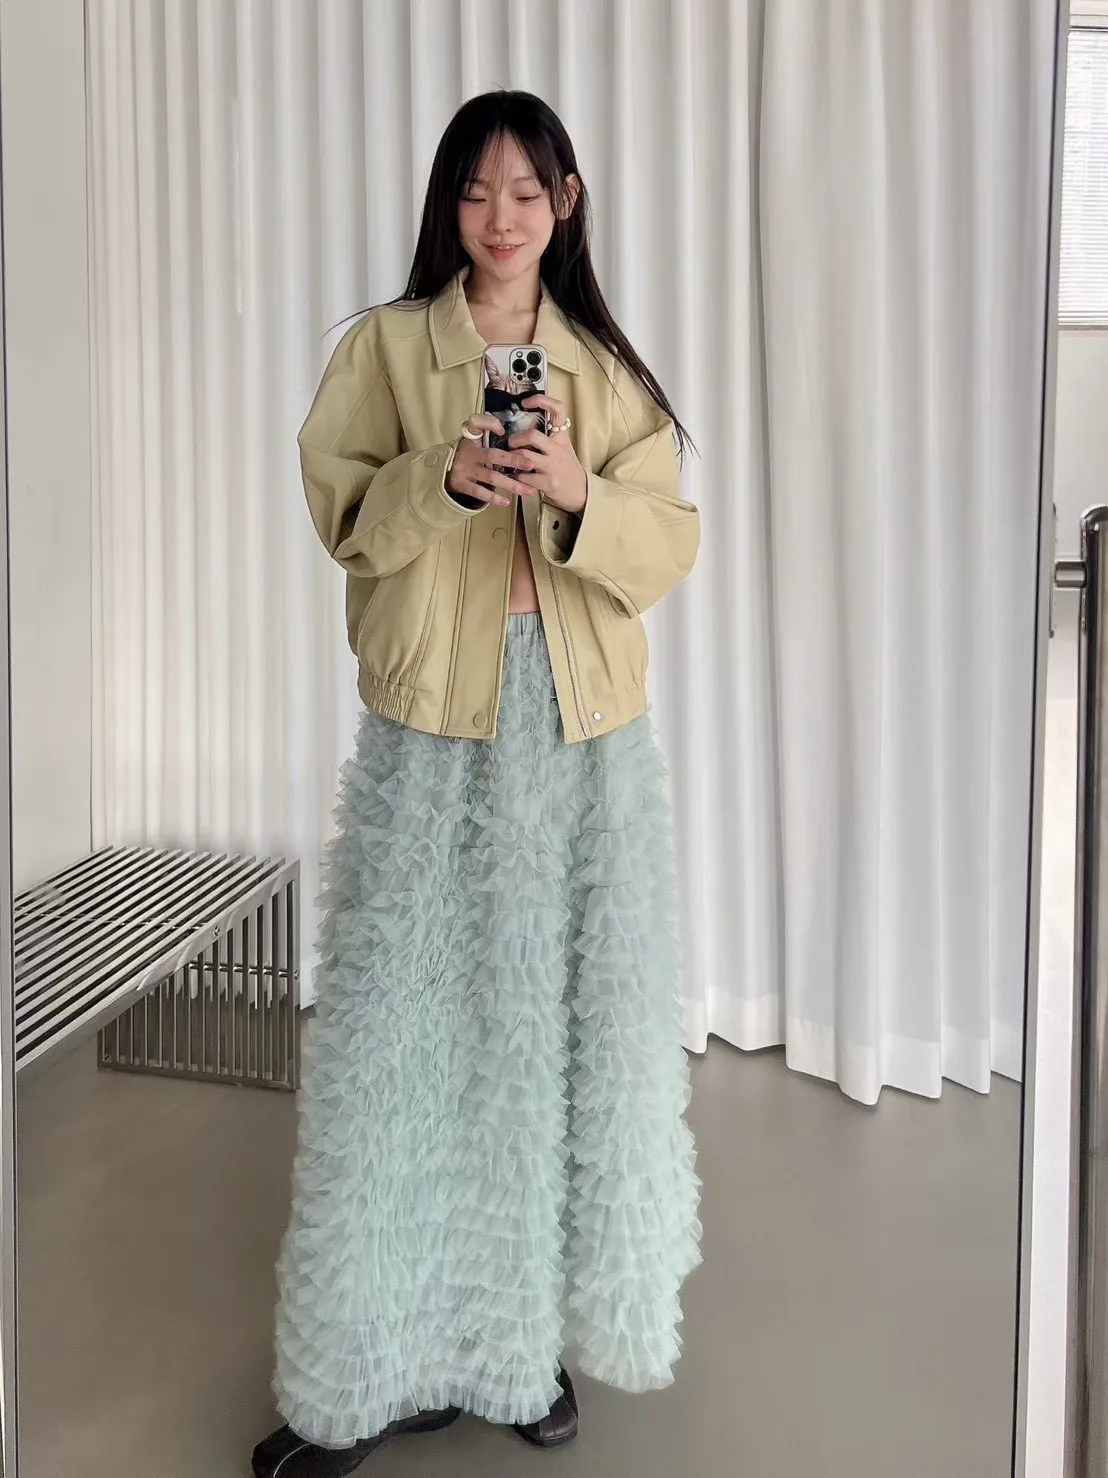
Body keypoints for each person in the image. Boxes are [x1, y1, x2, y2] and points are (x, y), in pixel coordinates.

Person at [251, 88, 703, 1478]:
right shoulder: (387, 350)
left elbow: (668, 546)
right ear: (447, 204)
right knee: (398, 1047)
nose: (499, 217)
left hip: (579, 740)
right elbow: (344, 522)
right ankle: (367, 1362)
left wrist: (575, 490)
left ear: (566, 202)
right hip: (432, 734)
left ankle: (521, 1344)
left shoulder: (606, 370)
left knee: (550, 1043)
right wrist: (441, 479)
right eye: (473, 189)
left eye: (525, 190)